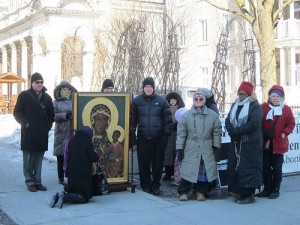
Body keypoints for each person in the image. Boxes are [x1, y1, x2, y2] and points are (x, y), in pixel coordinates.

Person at [176, 91, 222, 201]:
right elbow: (181, 133)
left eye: (200, 99)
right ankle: (183, 192)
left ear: (204, 101)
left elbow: (217, 131)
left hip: (206, 146)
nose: (198, 101)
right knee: (188, 169)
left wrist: (216, 146)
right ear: (193, 101)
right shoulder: (186, 116)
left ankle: (200, 192)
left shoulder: (212, 115)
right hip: (191, 146)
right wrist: (179, 148)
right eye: (196, 99)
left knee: (203, 170)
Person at [13, 72, 55, 192]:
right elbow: (17, 112)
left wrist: (47, 125)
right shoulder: (24, 96)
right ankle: (29, 181)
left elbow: (51, 114)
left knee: (39, 158)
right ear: (32, 83)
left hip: (41, 133)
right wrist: (25, 123)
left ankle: (37, 181)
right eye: (37, 82)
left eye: (41, 82)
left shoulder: (47, 98)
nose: (40, 84)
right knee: (29, 158)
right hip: (29, 132)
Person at [131, 77, 173, 195]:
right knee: (143, 164)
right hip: (143, 139)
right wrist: (132, 135)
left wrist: (166, 136)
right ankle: (145, 184)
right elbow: (132, 121)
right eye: (146, 87)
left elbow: (168, 120)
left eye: (150, 87)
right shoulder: (136, 101)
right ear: (143, 88)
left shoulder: (161, 101)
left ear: (153, 88)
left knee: (157, 165)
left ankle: (156, 185)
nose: (148, 89)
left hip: (157, 139)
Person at [225, 81, 263, 204]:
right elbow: (228, 120)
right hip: (236, 141)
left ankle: (248, 194)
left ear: (249, 94)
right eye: (239, 93)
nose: (240, 95)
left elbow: (253, 124)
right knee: (235, 166)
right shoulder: (235, 104)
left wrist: (236, 131)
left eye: (243, 93)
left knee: (247, 168)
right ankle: (237, 190)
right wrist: (231, 131)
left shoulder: (255, 106)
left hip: (249, 143)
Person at [256, 85, 295, 199]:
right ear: (269, 97)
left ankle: (275, 189)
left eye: (278, 96)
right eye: (273, 96)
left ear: (282, 97)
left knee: (277, 168)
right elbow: (257, 121)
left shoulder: (286, 109)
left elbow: (291, 123)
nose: (275, 98)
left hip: (279, 143)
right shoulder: (263, 107)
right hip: (266, 143)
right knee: (265, 167)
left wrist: (284, 133)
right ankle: (267, 188)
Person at [50, 126, 99, 208]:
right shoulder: (87, 142)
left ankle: (58, 197)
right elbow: (94, 157)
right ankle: (64, 197)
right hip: (83, 175)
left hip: (72, 174)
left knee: (74, 191)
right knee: (84, 197)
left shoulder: (71, 141)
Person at [53, 80, 77, 185]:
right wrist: (65, 115)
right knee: (61, 156)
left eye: (69, 89)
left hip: (72, 131)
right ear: (60, 90)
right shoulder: (56, 103)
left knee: (71, 155)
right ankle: (60, 177)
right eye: (65, 89)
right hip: (61, 131)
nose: (67, 91)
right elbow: (52, 115)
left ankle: (69, 175)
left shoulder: (74, 101)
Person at [162, 92, 185, 181]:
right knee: (168, 154)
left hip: (178, 134)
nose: (172, 101)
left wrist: (177, 125)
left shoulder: (182, 109)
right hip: (168, 134)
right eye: (171, 100)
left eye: (174, 99)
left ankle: (177, 174)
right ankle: (168, 173)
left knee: (177, 154)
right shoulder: (165, 108)